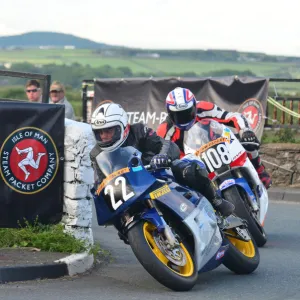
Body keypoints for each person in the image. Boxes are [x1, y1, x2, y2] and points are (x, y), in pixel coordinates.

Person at [90, 101, 234, 217]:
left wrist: (162, 156)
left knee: (190, 169)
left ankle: (217, 201)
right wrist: (97, 192)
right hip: (130, 191)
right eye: (100, 132)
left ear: (122, 126)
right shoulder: (96, 154)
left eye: (109, 130)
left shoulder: (138, 131)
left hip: (156, 173)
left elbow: (166, 144)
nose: (104, 136)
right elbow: (102, 181)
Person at [156, 87, 272, 189]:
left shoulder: (204, 108)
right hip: (191, 161)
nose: (184, 118)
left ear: (194, 106)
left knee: (249, 142)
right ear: (170, 114)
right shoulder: (165, 130)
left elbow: (232, 117)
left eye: (188, 112)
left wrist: (245, 131)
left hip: (216, 144)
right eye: (178, 115)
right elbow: (159, 152)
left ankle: (259, 171)